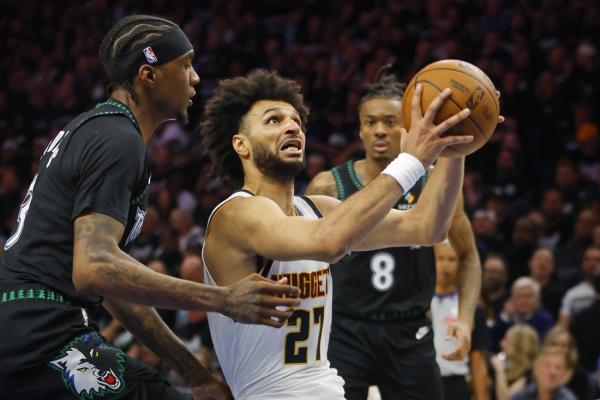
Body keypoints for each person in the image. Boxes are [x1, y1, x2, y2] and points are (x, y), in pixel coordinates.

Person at [0, 15, 303, 400]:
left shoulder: (97, 129)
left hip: (25, 326)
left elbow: (114, 286)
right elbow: (94, 267)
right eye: (186, 65)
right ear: (148, 75)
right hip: (41, 330)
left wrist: (195, 374)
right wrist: (222, 299)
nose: (195, 78)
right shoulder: (118, 139)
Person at [200, 69, 489, 399]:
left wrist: (453, 145)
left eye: (296, 120)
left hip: (327, 386)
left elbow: (427, 228)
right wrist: (411, 160)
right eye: (274, 120)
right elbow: (329, 242)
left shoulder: (316, 208)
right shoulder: (237, 213)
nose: (292, 127)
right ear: (241, 144)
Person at [305, 66, 483, 399]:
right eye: (370, 122)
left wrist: (465, 319)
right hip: (344, 329)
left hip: (409, 328)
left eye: (390, 122)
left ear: (409, 127)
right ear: (359, 130)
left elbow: (468, 255)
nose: (380, 131)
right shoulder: (328, 184)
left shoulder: (434, 185)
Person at [431, 241, 490, 400]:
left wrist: (482, 396)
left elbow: (478, 359)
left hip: (454, 384)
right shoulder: (415, 304)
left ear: (460, 264)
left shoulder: (470, 308)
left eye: (451, 259)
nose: (445, 265)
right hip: (419, 382)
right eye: (440, 258)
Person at [491, 277, 554, 351]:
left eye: (528, 297)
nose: (522, 301)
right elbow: (492, 341)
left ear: (538, 299)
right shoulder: (504, 317)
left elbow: (540, 345)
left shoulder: (544, 319)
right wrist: (506, 317)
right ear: (511, 299)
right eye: (518, 296)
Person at [490, 324, 540, 400]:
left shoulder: (530, 373)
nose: (502, 343)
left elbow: (505, 398)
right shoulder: (507, 366)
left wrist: (499, 370)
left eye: (507, 340)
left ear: (519, 346)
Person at [511, 346, 577, 400]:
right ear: (536, 369)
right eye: (547, 366)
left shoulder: (567, 398)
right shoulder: (523, 395)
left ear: (563, 374)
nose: (552, 372)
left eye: (558, 367)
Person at [558, 245, 600, 326]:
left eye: (597, 260)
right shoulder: (572, 295)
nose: (592, 264)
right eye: (588, 259)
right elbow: (563, 325)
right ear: (582, 263)